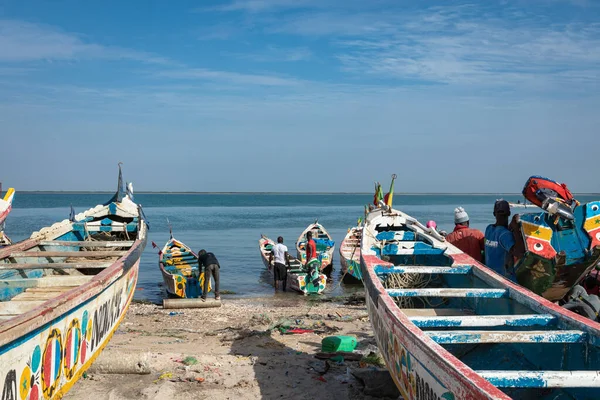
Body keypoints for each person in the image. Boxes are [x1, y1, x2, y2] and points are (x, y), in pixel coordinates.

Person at [484, 200, 519, 280]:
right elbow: (518, 252)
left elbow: (501, 230)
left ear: (494, 214)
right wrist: (516, 229)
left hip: (491, 275)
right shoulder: (505, 234)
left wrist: (511, 225)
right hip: (505, 278)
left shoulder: (489, 229)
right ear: (509, 213)